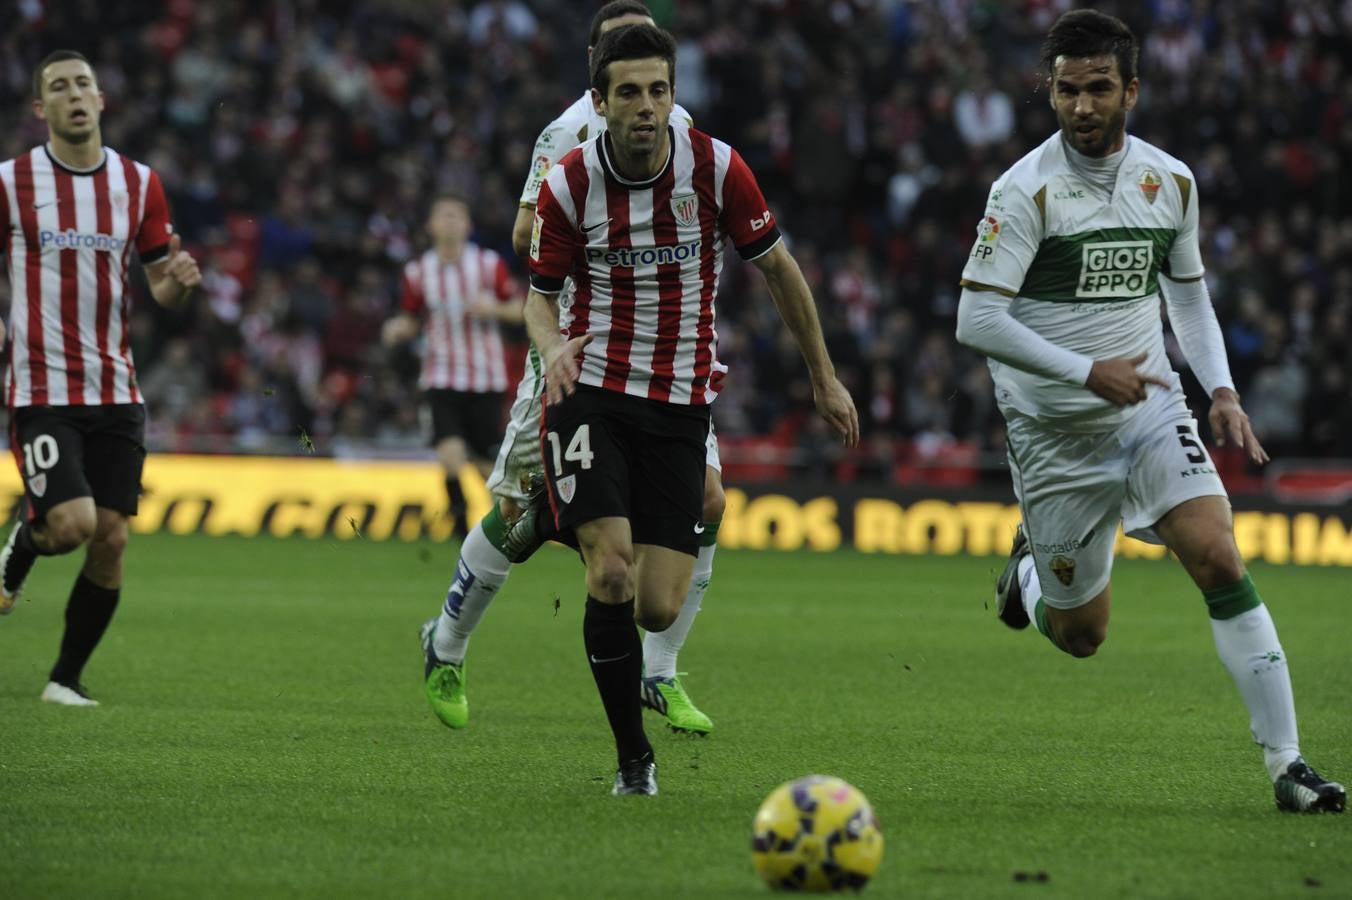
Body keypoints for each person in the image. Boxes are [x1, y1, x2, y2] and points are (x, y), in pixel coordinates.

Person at [955, 10, 1344, 814]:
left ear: (1131, 88)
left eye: (1100, 88)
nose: (1084, 107)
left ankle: (1289, 765)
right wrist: (1085, 371)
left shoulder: (1169, 182)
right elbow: (977, 320)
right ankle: (1028, 572)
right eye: (1068, 90)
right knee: (1082, 636)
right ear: (1049, 91)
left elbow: (1189, 294)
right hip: (1055, 433)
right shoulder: (1023, 191)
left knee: (1218, 556)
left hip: (1151, 409)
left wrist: (1223, 389)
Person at [525, 23, 858, 795]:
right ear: (600, 103)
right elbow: (537, 302)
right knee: (609, 573)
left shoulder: (715, 168)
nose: (647, 107)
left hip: (679, 405)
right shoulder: (569, 183)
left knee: (654, 606)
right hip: (594, 395)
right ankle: (633, 760)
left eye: (659, 90)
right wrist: (553, 349)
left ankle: (553, 514)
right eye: (631, 93)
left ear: (674, 95)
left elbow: (779, 270)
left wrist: (824, 377)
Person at [419, 1, 720, 736]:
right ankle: (447, 641)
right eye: (621, 50)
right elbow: (528, 233)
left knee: (708, 499)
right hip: (574, 350)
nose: (640, 75)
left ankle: (660, 670)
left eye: (648, 54)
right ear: (595, 68)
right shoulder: (566, 134)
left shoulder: (682, 132)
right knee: (521, 514)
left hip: (666, 360)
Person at [0, 50, 201, 706]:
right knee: (73, 525)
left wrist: (178, 285)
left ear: (101, 99)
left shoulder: (140, 184)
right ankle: (23, 542)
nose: (74, 95)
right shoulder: (10, 183)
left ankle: (64, 680)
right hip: (41, 388)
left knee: (110, 540)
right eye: (58, 87)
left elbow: (160, 289)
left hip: (117, 389)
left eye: (84, 83)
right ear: (42, 110)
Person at [382, 192, 523, 536]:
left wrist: (496, 309)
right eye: (442, 215)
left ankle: (507, 522)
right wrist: (399, 328)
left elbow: (520, 309)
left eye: (455, 216)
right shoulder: (418, 272)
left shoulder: (489, 265)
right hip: (440, 375)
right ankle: (460, 526)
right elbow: (412, 317)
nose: (449, 222)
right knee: (450, 453)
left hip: (485, 378)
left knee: (483, 462)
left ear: (468, 225)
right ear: (430, 225)